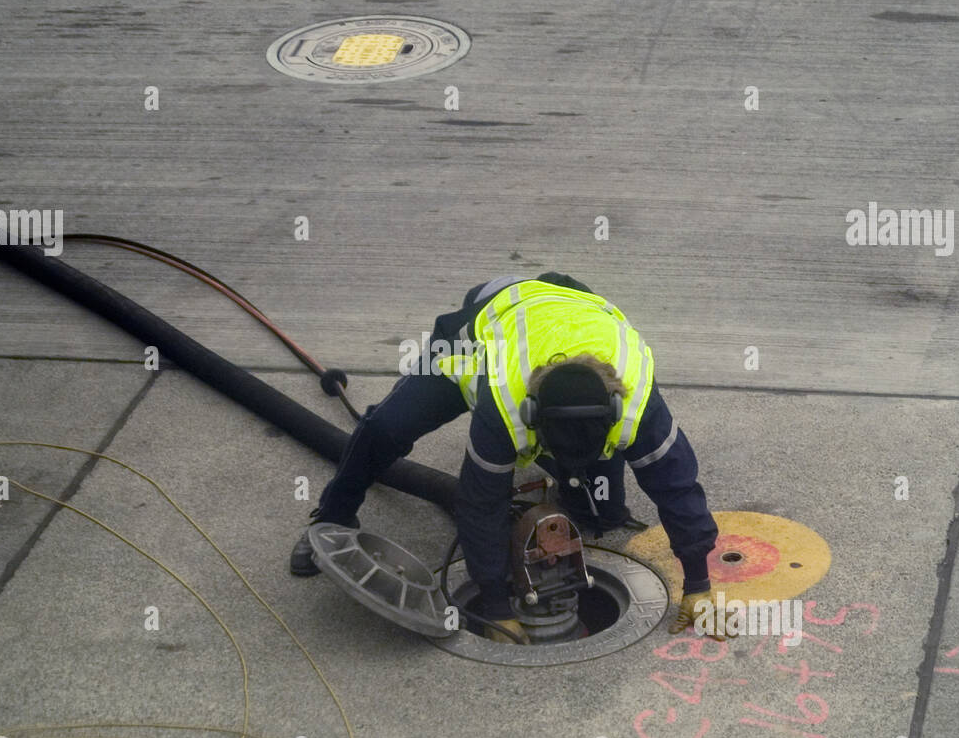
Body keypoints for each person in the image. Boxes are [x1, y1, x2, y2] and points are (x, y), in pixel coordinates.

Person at [289, 273, 730, 642]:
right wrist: (497, 608)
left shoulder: (636, 401)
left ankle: (576, 492)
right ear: (533, 416)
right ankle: (332, 516)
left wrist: (698, 584)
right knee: (388, 428)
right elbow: (481, 504)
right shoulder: (503, 403)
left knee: (604, 514)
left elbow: (677, 486)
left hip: (576, 302)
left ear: (612, 412)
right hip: (487, 317)